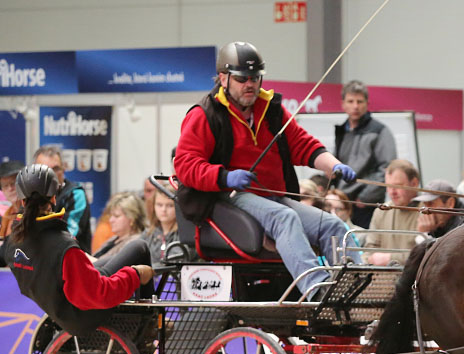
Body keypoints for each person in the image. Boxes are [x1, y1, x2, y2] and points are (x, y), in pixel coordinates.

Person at [174, 41, 356, 300]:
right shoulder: (205, 114)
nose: (251, 84)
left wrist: (333, 164)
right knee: (285, 218)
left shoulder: (270, 109)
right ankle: (318, 292)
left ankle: (353, 288)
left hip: (271, 197)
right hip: (228, 196)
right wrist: (224, 176)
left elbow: (302, 145)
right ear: (223, 78)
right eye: (242, 78)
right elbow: (185, 165)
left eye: (256, 77)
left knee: (334, 226)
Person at [2, 164, 154, 336]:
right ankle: (148, 326)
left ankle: (148, 325)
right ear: (53, 198)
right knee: (139, 247)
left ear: (22, 201)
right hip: (82, 316)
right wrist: (135, 275)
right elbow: (98, 294)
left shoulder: (14, 240)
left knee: (105, 261)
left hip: (59, 307)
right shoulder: (62, 245)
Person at [333, 80, 397, 228]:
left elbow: (387, 169)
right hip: (342, 202)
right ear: (343, 104)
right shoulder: (342, 131)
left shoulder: (380, 131)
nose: (355, 106)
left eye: (359, 101)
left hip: (365, 206)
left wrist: (365, 198)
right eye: (351, 101)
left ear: (367, 103)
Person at [33, 145, 92, 252]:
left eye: (55, 169)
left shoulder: (75, 194)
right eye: (44, 169)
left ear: (63, 170)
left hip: (70, 261)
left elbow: (67, 237)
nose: (50, 175)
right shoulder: (30, 194)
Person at [365, 159, 420, 265]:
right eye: (388, 186)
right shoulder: (381, 211)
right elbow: (369, 251)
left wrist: (390, 258)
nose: (392, 192)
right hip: (384, 279)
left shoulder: (428, 210)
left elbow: (426, 255)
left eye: (397, 186)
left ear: (414, 183)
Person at [95, 192, 148, 260]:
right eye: (111, 215)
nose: (111, 220)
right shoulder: (114, 239)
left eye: (116, 216)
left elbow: (110, 266)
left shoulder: (134, 243)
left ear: (131, 219)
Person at [142, 183, 182, 266]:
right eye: (159, 205)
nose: (163, 210)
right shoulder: (148, 232)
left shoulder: (184, 234)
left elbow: (174, 263)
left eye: (170, 205)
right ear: (153, 206)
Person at [0, 160, 25, 238]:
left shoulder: (34, 210)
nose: (10, 188)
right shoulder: (7, 216)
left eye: (13, 183)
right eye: (5, 185)